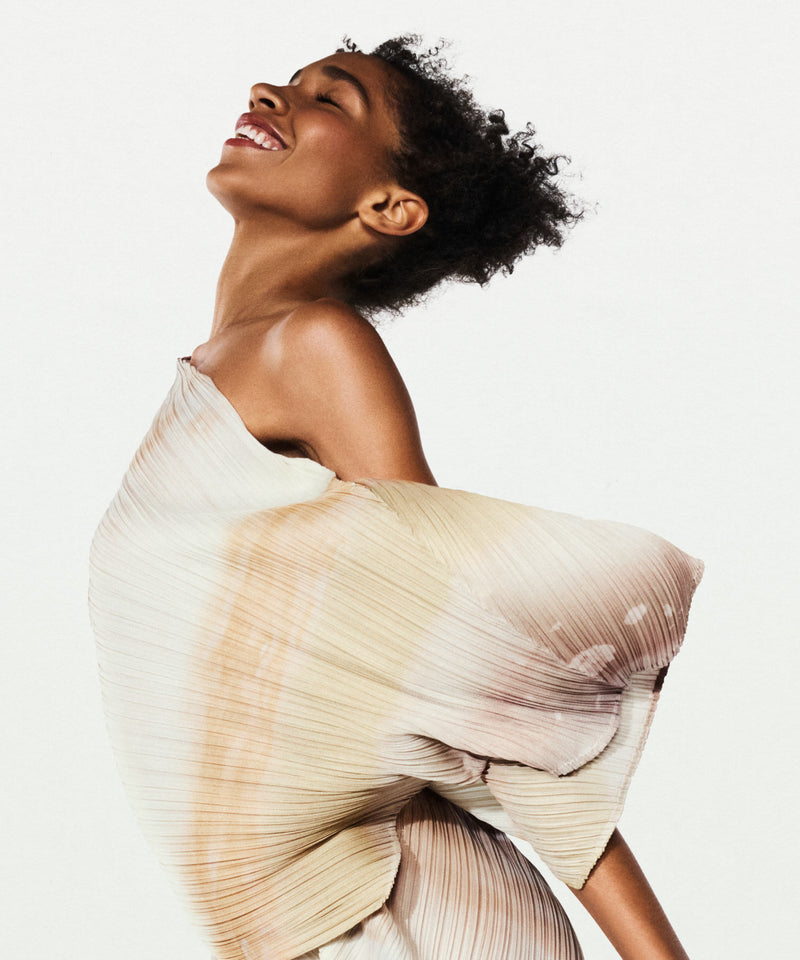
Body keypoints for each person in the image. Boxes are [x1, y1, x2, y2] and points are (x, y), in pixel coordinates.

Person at [89, 37, 701, 960]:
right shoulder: (222, 371)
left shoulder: (313, 348)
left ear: (389, 206)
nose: (271, 91)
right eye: (290, 81)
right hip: (322, 914)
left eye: (329, 98)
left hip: (403, 912)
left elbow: (486, 677)